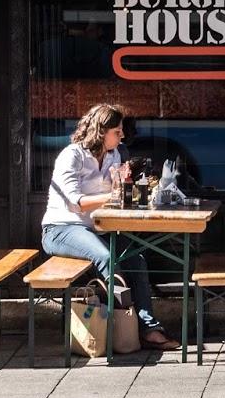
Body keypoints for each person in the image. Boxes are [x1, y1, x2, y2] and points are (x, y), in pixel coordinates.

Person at [41, 102, 179, 350]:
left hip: (98, 227)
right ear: (101, 131)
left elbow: (116, 193)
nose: (122, 135)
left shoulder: (115, 155)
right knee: (106, 257)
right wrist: (117, 193)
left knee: (135, 257)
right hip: (61, 229)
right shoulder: (72, 156)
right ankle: (121, 324)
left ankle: (148, 327)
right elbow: (77, 203)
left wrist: (127, 184)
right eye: (117, 131)